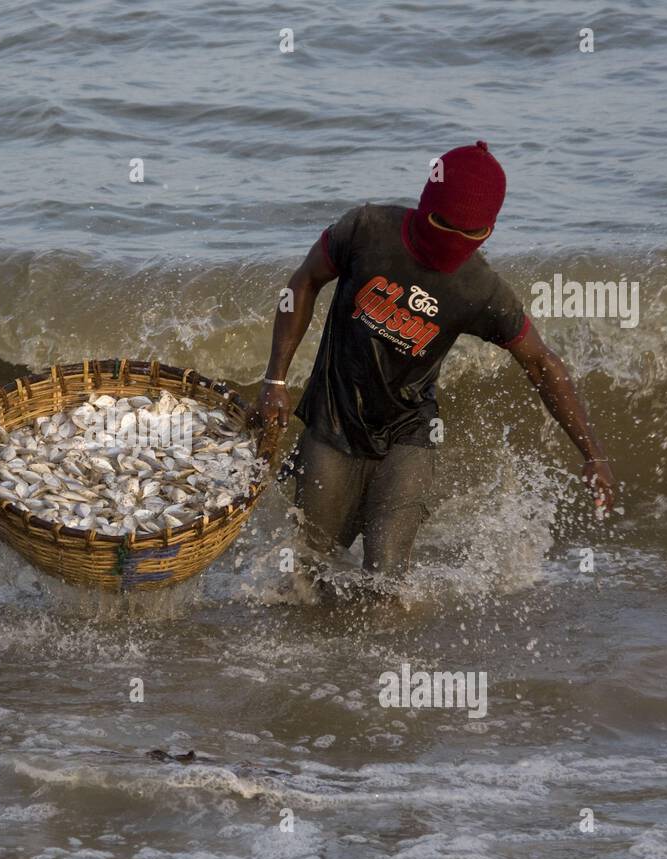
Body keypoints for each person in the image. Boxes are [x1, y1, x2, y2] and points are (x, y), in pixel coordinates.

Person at [252, 141, 616, 581]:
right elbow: (305, 282)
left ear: (489, 230)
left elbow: (540, 362)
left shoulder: (479, 289)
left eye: (472, 233)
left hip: (409, 437)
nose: (455, 241)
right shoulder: (367, 229)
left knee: (387, 577)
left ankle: (386, 652)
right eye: (444, 223)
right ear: (425, 206)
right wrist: (275, 380)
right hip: (331, 424)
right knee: (307, 570)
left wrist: (593, 455)